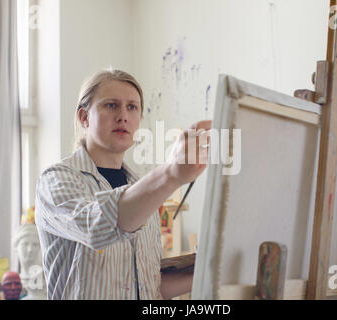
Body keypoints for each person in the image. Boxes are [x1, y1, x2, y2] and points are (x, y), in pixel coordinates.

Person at [34, 69, 211, 300]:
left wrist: (210, 267)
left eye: (132, 107)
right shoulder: (55, 180)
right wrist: (169, 174)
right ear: (84, 117)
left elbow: (149, 285)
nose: (123, 116)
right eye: (110, 105)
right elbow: (97, 227)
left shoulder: (141, 188)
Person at [12, 223, 46, 299]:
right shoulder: (18, 277)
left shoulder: (42, 274)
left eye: (35, 245)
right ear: (16, 248)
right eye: (25, 244)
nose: (30, 249)